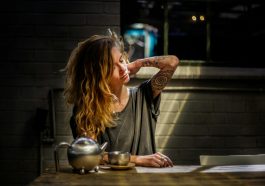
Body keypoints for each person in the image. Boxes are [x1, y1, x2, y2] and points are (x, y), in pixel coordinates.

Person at [64, 30, 179, 168]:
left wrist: (137, 64)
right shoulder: (88, 108)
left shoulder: (144, 94)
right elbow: (90, 155)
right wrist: (138, 159)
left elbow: (172, 62)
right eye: (112, 67)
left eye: (121, 60)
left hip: (147, 180)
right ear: (98, 75)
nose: (122, 68)